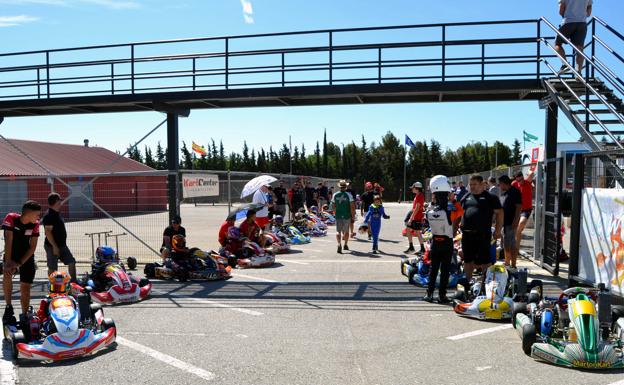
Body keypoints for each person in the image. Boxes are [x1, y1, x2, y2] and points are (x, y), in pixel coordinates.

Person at [423, 175, 463, 304]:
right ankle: (442, 295)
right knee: (445, 270)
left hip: (435, 241)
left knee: (433, 269)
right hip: (446, 242)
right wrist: (454, 201)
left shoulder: (429, 210)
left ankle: (429, 294)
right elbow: (460, 212)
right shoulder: (450, 210)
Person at [2, 200, 42, 324]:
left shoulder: (35, 224)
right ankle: (8, 307)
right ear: (28, 214)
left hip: (26, 257)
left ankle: (25, 314)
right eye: (37, 214)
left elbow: (32, 247)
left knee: (26, 287)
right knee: (7, 275)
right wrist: (8, 263)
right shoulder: (11, 218)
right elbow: (8, 240)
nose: (38, 217)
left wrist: (19, 263)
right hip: (11, 253)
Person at [460, 175, 503, 281]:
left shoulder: (491, 198)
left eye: (475, 184)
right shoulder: (466, 197)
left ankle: (486, 284)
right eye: (471, 184)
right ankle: (467, 283)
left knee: (485, 261)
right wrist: (454, 227)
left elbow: (500, 213)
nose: (472, 187)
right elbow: (459, 212)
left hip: (483, 234)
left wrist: (498, 230)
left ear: (482, 184)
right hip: (467, 234)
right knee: (467, 260)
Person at [42, 193, 77, 282]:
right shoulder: (49, 215)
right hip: (52, 246)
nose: (61, 202)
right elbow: (48, 232)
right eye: (59, 200)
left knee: (71, 262)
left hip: (62, 245)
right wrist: (54, 247)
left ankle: (73, 283)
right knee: (52, 267)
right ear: (56, 201)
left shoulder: (57, 213)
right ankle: (53, 285)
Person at [555, 0, 593, 75]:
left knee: (557, 44)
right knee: (579, 49)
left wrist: (567, 15)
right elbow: (589, 10)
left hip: (568, 21)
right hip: (582, 23)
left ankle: (565, 64)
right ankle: (578, 72)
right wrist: (583, 14)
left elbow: (561, 10)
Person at [36, 271, 71, 336]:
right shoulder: (46, 301)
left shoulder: (71, 299)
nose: (57, 291)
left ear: (67, 287)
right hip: (52, 324)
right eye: (54, 288)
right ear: (50, 286)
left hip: (70, 321)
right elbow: (41, 317)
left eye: (60, 288)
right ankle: (53, 335)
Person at [498, 175, 522, 268]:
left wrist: (516, 221)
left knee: (511, 244)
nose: (499, 186)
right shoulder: (504, 193)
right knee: (506, 244)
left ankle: (513, 265)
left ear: (504, 183)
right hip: (504, 223)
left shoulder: (514, 192)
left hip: (511, 223)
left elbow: (519, 207)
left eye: (500, 184)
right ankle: (507, 262)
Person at [512, 170, 535, 256]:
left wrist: (528, 171)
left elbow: (532, 173)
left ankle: (516, 249)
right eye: (518, 180)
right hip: (517, 209)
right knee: (517, 231)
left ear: (523, 177)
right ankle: (516, 250)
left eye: (521, 179)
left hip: (526, 210)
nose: (520, 182)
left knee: (520, 225)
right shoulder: (514, 184)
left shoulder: (527, 182)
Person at [331, 180, 356, 254]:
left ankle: (339, 244)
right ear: (346, 187)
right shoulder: (349, 195)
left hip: (338, 215)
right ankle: (345, 244)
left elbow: (333, 205)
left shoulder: (335, 194)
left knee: (338, 231)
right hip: (346, 215)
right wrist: (353, 216)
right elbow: (352, 207)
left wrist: (335, 213)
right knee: (346, 231)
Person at [405, 182, 426, 254]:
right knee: (408, 229)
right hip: (414, 216)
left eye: (413, 188)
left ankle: (422, 249)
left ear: (417, 188)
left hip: (417, 217)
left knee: (418, 232)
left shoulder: (420, 196)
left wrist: (411, 218)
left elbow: (417, 208)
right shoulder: (417, 195)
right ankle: (411, 247)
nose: (412, 189)